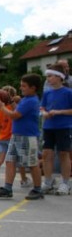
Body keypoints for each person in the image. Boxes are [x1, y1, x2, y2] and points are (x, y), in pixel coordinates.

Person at [0, 74, 43, 200]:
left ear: (33, 88)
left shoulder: (31, 101)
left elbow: (15, 115)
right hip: (16, 135)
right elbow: (17, 109)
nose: (21, 88)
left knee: (31, 163)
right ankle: (8, 188)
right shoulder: (25, 99)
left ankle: (37, 189)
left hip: (27, 136)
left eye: (24, 86)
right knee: (10, 160)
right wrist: (9, 102)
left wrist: (2, 107)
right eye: (21, 85)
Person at [40, 63, 72, 195]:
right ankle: (48, 181)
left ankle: (65, 182)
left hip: (63, 127)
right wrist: (44, 113)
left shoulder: (68, 93)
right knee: (47, 154)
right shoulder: (47, 93)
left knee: (64, 154)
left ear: (59, 77)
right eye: (47, 76)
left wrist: (58, 112)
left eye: (51, 76)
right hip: (48, 127)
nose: (48, 79)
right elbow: (42, 107)